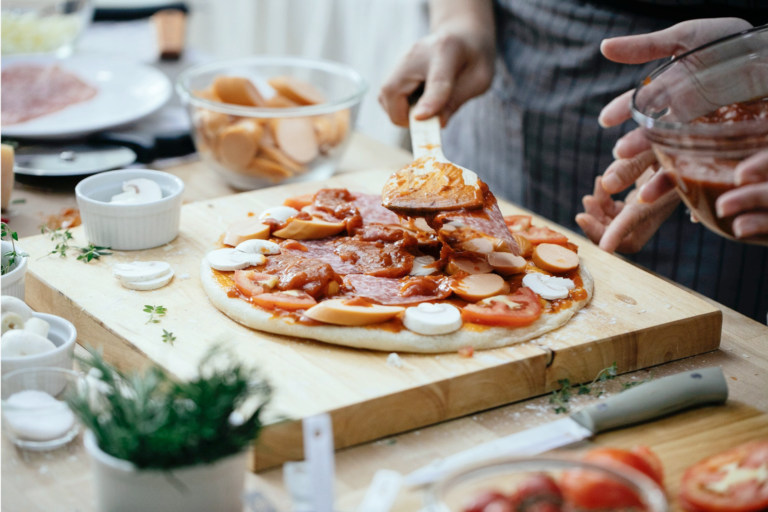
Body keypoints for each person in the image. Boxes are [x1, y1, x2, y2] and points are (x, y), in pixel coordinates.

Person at [379, 1, 768, 321]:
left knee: (701, 333)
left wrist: (750, 57)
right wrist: (462, 21)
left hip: (734, 83)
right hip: (505, 60)